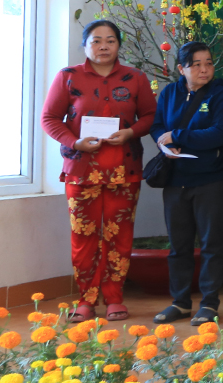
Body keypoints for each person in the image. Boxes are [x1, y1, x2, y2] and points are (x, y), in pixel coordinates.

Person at [41, 20, 156, 322]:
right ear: (85, 45)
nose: (103, 46)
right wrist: (74, 142)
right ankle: (86, 300)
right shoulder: (68, 77)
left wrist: (130, 132)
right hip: (81, 171)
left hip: (124, 171)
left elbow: (149, 116)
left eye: (110, 40)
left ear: (118, 45)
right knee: (84, 237)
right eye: (96, 40)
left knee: (120, 236)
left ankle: (115, 298)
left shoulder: (135, 78)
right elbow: (49, 118)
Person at [150, 41, 223, 326]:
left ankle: (209, 303)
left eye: (208, 63)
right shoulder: (169, 93)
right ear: (181, 68)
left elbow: (220, 133)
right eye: (196, 64)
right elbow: (157, 126)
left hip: (211, 179)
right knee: (178, 245)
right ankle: (180, 302)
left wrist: (178, 136)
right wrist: (164, 143)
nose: (204, 69)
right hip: (176, 179)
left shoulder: (220, 92)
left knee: (212, 244)